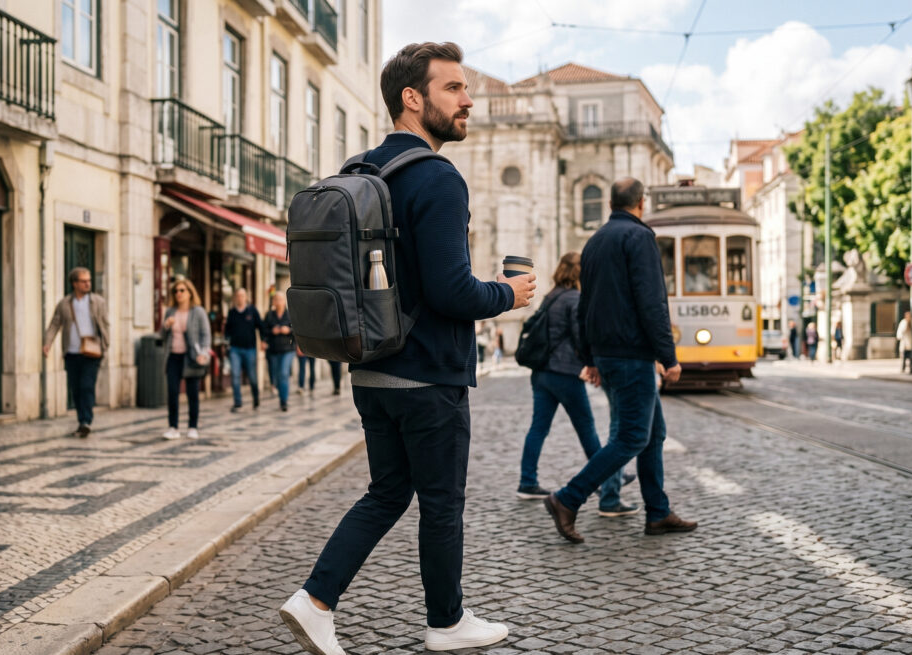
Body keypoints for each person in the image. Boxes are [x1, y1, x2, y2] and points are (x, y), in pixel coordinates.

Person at [279, 42, 535, 655]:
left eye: (466, 88)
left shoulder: (362, 168)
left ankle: (314, 600)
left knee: (388, 492)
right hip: (428, 377)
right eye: (453, 89)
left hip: (370, 369)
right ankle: (446, 623)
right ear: (412, 99)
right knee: (441, 503)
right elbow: (451, 291)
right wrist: (508, 292)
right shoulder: (437, 177)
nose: (468, 100)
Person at [542, 177, 696, 545]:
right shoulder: (639, 238)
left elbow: (585, 305)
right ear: (641, 203)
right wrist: (668, 356)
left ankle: (657, 512)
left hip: (609, 354)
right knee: (631, 437)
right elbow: (652, 302)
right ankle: (567, 498)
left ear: (611, 203)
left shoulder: (593, 243)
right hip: (632, 355)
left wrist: (590, 357)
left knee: (653, 435)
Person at [515, 252, 637, 516]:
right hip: (564, 373)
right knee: (587, 429)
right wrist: (592, 363)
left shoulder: (552, 296)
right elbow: (581, 336)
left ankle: (527, 481)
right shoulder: (574, 298)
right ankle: (607, 479)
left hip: (542, 373)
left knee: (538, 428)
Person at [44, 267, 111, 438]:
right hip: (72, 353)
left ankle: (86, 421)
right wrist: (47, 343)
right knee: (76, 389)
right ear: (75, 283)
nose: (88, 283)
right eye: (83, 281)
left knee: (86, 386)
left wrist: (106, 343)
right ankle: (82, 421)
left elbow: (105, 324)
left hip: (92, 353)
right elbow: (54, 325)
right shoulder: (65, 304)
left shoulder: (98, 302)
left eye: (89, 280)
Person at [160, 278, 212, 439]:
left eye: (182, 290)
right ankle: (173, 427)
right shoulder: (170, 312)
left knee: (192, 393)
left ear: (190, 293)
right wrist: (166, 326)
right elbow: (161, 336)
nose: (179, 294)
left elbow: (206, 335)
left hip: (191, 357)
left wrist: (203, 353)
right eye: (176, 291)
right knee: (173, 392)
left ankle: (192, 426)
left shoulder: (198, 312)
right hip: (173, 356)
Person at [224, 288, 263, 412]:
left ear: (246, 297)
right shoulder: (232, 313)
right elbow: (227, 330)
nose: (240, 298)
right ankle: (238, 402)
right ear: (235, 298)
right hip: (235, 349)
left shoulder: (252, 311)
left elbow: (260, 326)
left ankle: (256, 399)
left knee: (252, 376)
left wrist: (263, 341)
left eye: (242, 295)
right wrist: (226, 343)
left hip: (250, 349)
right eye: (238, 296)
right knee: (235, 375)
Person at [263, 291, 296, 411]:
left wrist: (288, 330)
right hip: (273, 349)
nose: (278, 302)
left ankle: (284, 401)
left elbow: (297, 330)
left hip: (288, 349)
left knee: (283, 374)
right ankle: (281, 394)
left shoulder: (290, 314)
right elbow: (264, 330)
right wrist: (272, 332)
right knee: (277, 376)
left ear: (284, 301)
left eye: (280, 299)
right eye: (276, 299)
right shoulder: (269, 315)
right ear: (273, 302)